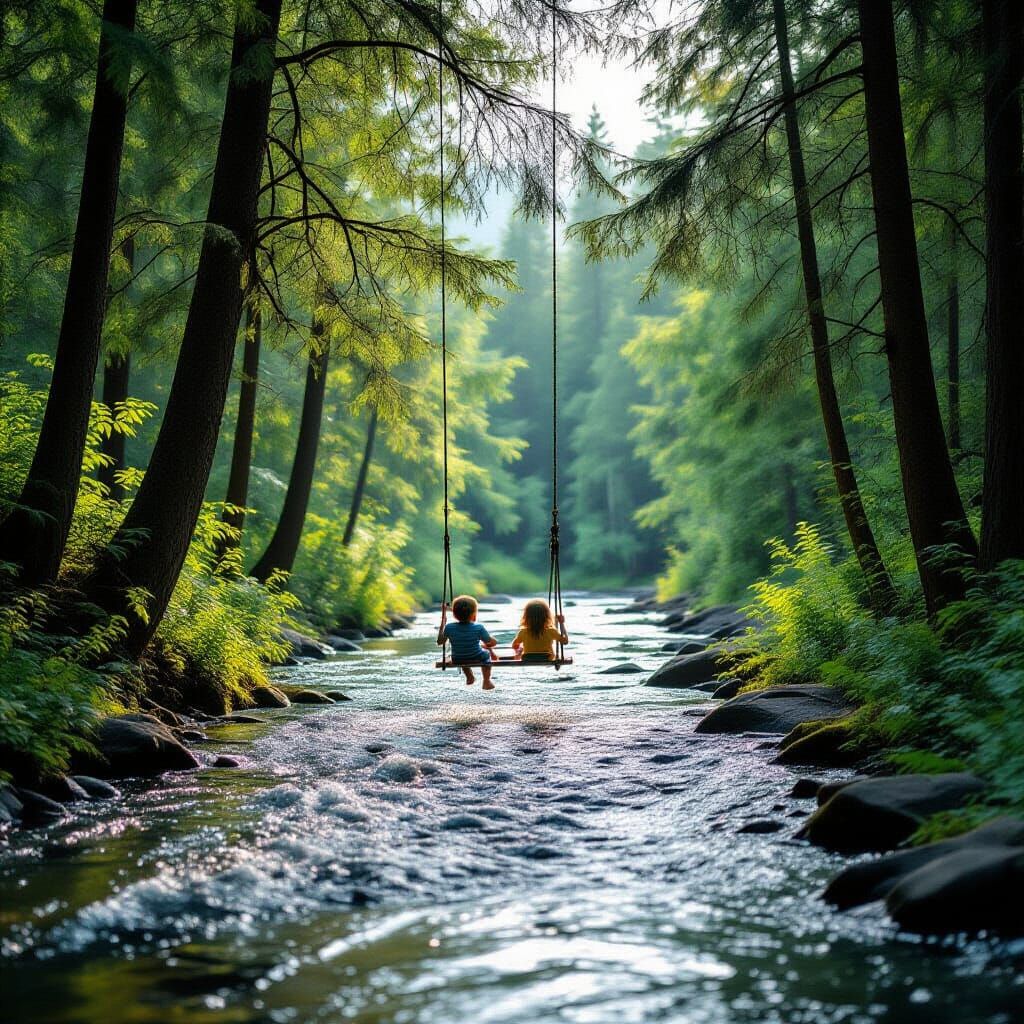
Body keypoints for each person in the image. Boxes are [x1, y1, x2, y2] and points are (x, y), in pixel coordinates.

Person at [437, 594, 499, 689]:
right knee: (486, 654)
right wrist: (493, 641)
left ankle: (469, 676)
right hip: (476, 657)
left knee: (462, 653)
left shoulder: (449, 627)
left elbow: (440, 642)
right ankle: (486, 681)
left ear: (454, 614)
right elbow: (491, 642)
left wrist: (443, 624)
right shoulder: (478, 627)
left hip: (457, 659)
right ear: (474, 614)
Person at [512, 598, 569, 663]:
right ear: (547, 616)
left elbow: (514, 645)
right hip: (547, 658)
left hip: (527, 658)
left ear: (526, 617)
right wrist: (561, 623)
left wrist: (519, 650)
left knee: (521, 650)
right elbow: (565, 641)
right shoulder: (551, 631)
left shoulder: (523, 632)